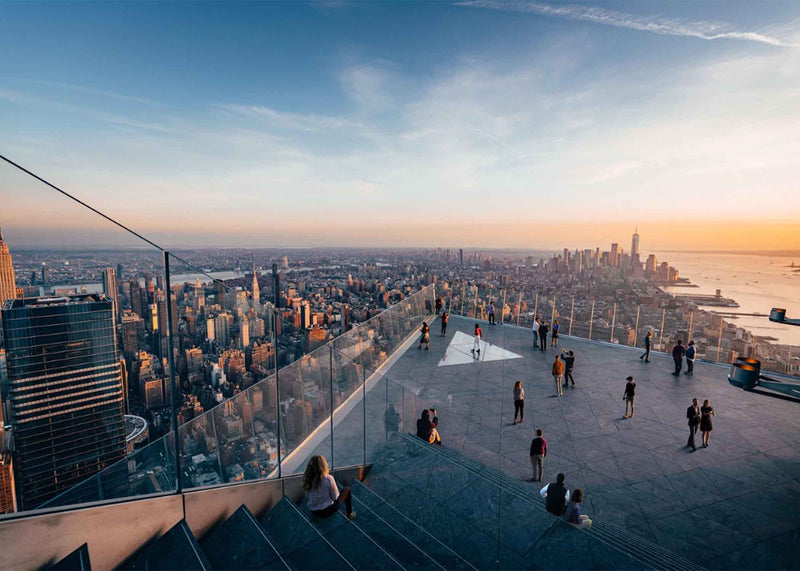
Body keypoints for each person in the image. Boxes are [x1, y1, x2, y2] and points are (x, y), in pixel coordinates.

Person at [303, 455, 355, 520]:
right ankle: (349, 514)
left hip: (314, 511)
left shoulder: (307, 479)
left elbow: (309, 495)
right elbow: (335, 497)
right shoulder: (328, 479)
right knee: (347, 489)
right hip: (327, 511)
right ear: (324, 466)